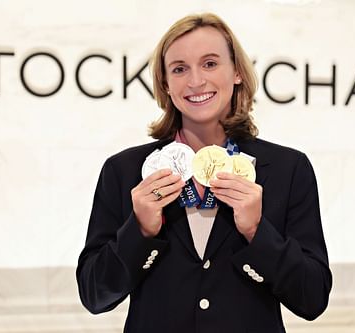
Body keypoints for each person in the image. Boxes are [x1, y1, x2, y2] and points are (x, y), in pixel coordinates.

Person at [76, 12, 332, 333]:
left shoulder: (288, 169)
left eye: (210, 64)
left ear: (237, 72)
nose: (196, 81)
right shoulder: (125, 171)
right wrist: (138, 231)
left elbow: (312, 298)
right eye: (180, 69)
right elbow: (94, 296)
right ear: (166, 85)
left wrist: (257, 232)